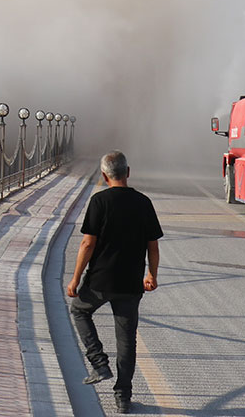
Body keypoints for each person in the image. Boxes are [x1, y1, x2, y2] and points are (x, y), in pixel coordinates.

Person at [67, 151, 162, 414]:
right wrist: (151, 275)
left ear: (104, 176)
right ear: (128, 172)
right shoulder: (143, 202)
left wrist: (75, 278)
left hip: (99, 281)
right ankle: (123, 397)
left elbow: (88, 243)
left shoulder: (99, 201)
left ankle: (99, 363)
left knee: (79, 310)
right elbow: (152, 246)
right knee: (126, 340)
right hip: (131, 284)